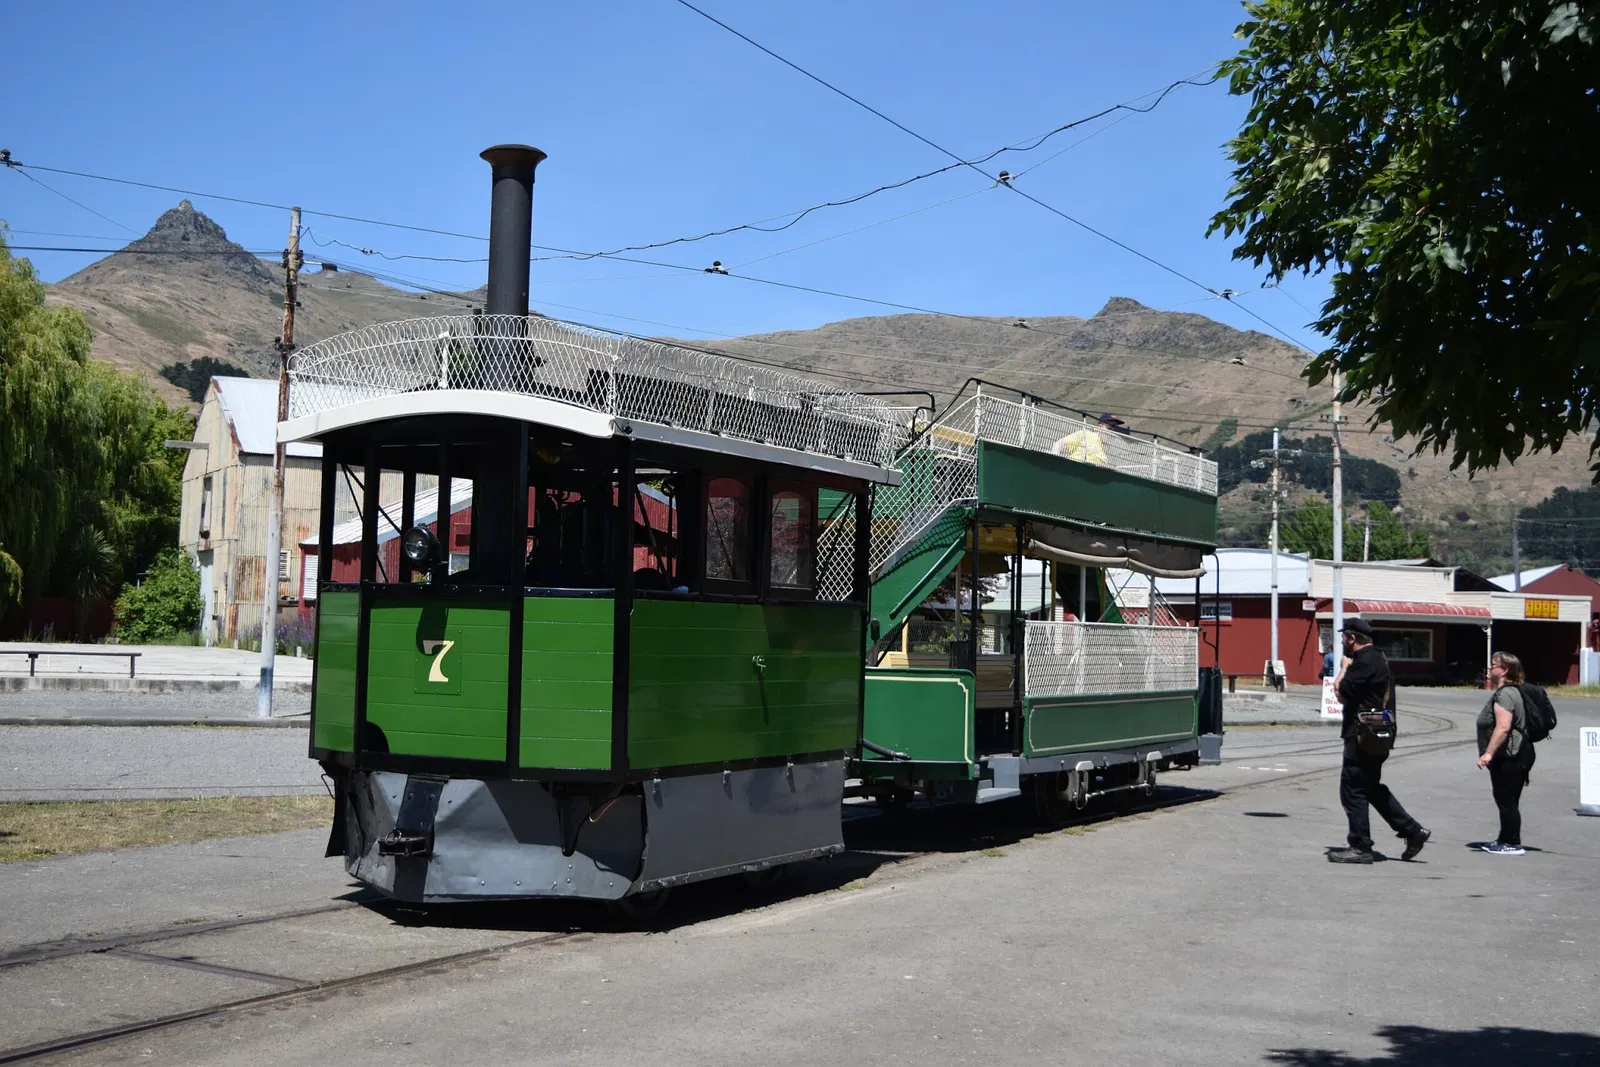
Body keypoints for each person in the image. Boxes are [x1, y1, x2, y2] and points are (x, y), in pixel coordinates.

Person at [1327, 618, 1431, 864]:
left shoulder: (1362, 662)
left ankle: (1360, 846)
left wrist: (1343, 667)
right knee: (1370, 787)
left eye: (1344, 637)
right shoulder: (1380, 658)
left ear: (1352, 638)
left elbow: (1341, 692)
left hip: (1363, 735)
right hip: (1379, 733)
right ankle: (1412, 831)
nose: (1342, 641)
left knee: (1352, 791)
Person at [1474, 651, 1534, 856]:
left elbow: (1503, 727)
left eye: (1494, 664)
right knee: (1507, 799)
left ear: (1505, 670)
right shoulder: (1510, 692)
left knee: (1506, 799)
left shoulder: (1506, 694)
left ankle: (1512, 843)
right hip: (1515, 753)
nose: (1490, 668)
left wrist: (1488, 753)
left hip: (1511, 754)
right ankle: (1504, 838)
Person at [1052, 413, 1126, 465]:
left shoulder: (1107, 450)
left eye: (1114, 428)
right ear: (1100, 425)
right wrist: (1056, 464)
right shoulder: (1086, 434)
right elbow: (1058, 444)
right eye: (1109, 427)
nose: (1112, 429)